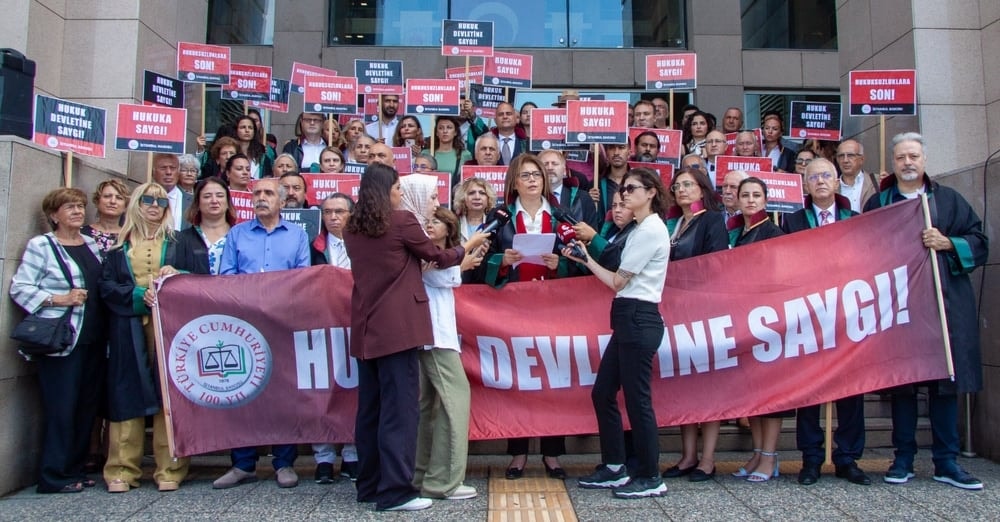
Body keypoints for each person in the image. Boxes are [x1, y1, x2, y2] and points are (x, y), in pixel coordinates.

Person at [343, 163, 487, 511]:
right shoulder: (402, 222)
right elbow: (438, 257)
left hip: (365, 329)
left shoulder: (352, 227)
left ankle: (370, 485)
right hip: (399, 330)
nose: (399, 193)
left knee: (371, 411)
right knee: (400, 412)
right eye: (395, 188)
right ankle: (396, 492)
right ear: (385, 191)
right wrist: (467, 245)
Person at [864, 132, 988, 490]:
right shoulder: (880, 203)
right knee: (903, 383)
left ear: (924, 160)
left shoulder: (948, 200)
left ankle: (946, 461)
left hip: (943, 305)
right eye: (901, 156)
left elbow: (980, 241)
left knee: (945, 384)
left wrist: (949, 243)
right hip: (899, 306)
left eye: (913, 156)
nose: (907, 162)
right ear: (894, 161)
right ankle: (902, 457)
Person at [569, 167, 670, 498]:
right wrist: (587, 259)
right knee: (603, 392)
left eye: (631, 188)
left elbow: (617, 281)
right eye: (623, 188)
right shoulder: (640, 228)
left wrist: (587, 261)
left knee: (638, 400)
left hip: (639, 316)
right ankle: (615, 466)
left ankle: (651, 475)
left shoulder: (650, 230)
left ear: (651, 192)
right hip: (629, 317)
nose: (624, 193)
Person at [476, 154, 572, 479]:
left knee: (551, 381)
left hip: (552, 310)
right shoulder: (500, 217)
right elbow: (480, 263)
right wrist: (502, 261)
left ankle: (552, 454)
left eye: (537, 175)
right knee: (517, 380)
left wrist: (562, 266)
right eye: (525, 175)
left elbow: (578, 262)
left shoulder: (560, 216)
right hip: (512, 312)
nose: (532, 180)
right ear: (514, 182)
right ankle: (517, 453)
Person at [212, 177, 310, 490]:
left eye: (268, 193)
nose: (261, 198)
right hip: (245, 324)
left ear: (282, 201)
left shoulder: (297, 235)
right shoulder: (237, 234)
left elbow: (302, 279)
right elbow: (226, 276)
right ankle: (243, 464)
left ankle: (284, 463)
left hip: (282, 323)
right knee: (243, 392)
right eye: (257, 193)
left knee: (284, 394)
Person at [778, 158, 870, 486]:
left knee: (851, 389)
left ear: (836, 182)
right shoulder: (792, 222)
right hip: (809, 316)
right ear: (805, 184)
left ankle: (847, 458)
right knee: (810, 389)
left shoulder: (856, 221)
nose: (820, 181)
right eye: (813, 176)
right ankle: (811, 458)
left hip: (847, 315)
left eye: (826, 176)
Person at [10, 188, 106, 494]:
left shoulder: (90, 244)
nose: (77, 211)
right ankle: (53, 475)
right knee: (61, 407)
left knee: (84, 407)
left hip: (93, 338)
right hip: (64, 340)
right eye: (69, 207)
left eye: (79, 206)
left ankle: (74, 468)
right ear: (54, 215)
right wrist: (59, 298)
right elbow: (20, 287)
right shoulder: (42, 246)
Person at [99, 182, 190, 493]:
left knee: (170, 396)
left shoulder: (180, 242)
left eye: (161, 201)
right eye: (148, 200)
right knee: (127, 393)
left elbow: (202, 278)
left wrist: (178, 278)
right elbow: (107, 288)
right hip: (129, 326)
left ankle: (171, 468)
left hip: (171, 328)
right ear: (136, 203)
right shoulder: (117, 247)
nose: (154, 205)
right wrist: (139, 296)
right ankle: (122, 469)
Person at [399, 175, 482, 501]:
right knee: (454, 404)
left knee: (429, 407)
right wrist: (466, 257)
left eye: (438, 216)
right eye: (430, 200)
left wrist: (461, 261)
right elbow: (439, 273)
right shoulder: (415, 238)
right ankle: (443, 481)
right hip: (433, 338)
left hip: (434, 335)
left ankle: (422, 476)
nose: (434, 208)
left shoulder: (413, 237)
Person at [658, 168, 728, 483]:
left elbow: (715, 264)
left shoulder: (711, 220)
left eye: (688, 185)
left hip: (705, 312)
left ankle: (708, 459)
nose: (682, 190)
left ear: (702, 189)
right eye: (678, 185)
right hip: (677, 312)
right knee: (685, 383)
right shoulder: (675, 223)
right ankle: (687, 456)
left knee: (708, 386)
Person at [728, 177, 787, 483]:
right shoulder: (740, 232)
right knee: (753, 392)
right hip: (745, 319)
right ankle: (757, 451)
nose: (750, 200)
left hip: (768, 321)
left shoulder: (772, 232)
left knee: (770, 392)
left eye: (756, 195)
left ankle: (770, 456)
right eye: (745, 195)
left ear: (766, 200)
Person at [309, 193, 360, 483]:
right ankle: (324, 457)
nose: (333, 217)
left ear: (351, 214)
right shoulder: (314, 246)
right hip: (320, 323)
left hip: (354, 322)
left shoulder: (362, 244)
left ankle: (352, 454)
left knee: (353, 390)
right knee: (322, 391)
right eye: (327, 212)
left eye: (339, 211)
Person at [174, 177, 235, 276]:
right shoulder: (183, 238)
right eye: (207, 196)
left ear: (228, 201)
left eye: (220, 196)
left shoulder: (239, 236)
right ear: (198, 203)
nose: (214, 201)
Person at [572, 190, 637, 272]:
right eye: (614, 205)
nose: (617, 210)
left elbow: (616, 264)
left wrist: (594, 237)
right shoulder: (610, 229)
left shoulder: (637, 233)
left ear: (635, 208)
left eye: (623, 205)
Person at [539, 149, 600, 228]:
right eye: (545, 164)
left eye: (555, 164)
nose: (550, 167)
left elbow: (592, 234)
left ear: (564, 171)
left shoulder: (583, 198)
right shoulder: (529, 198)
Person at [83, 178, 129, 254]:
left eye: (119, 198)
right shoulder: (81, 234)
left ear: (125, 206)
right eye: (107, 196)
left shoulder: (130, 238)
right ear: (97, 201)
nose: (113, 201)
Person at [151, 153, 192, 232]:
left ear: (178, 172)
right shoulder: (143, 199)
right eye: (163, 168)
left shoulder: (192, 202)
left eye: (173, 168)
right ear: (153, 172)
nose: (168, 172)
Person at [836, 139, 878, 213]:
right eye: (841, 156)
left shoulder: (877, 182)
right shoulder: (832, 187)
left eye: (850, 155)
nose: (845, 160)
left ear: (861, 159)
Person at [428, 116, 472, 186]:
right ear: (436, 133)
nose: (445, 131)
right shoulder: (427, 153)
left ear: (455, 132)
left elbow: (468, 179)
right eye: (441, 128)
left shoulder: (465, 154)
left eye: (449, 127)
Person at [453, 177, 498, 244]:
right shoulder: (454, 223)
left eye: (482, 193)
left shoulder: (494, 224)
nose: (477, 197)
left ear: (488, 198)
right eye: (471, 193)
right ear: (463, 199)